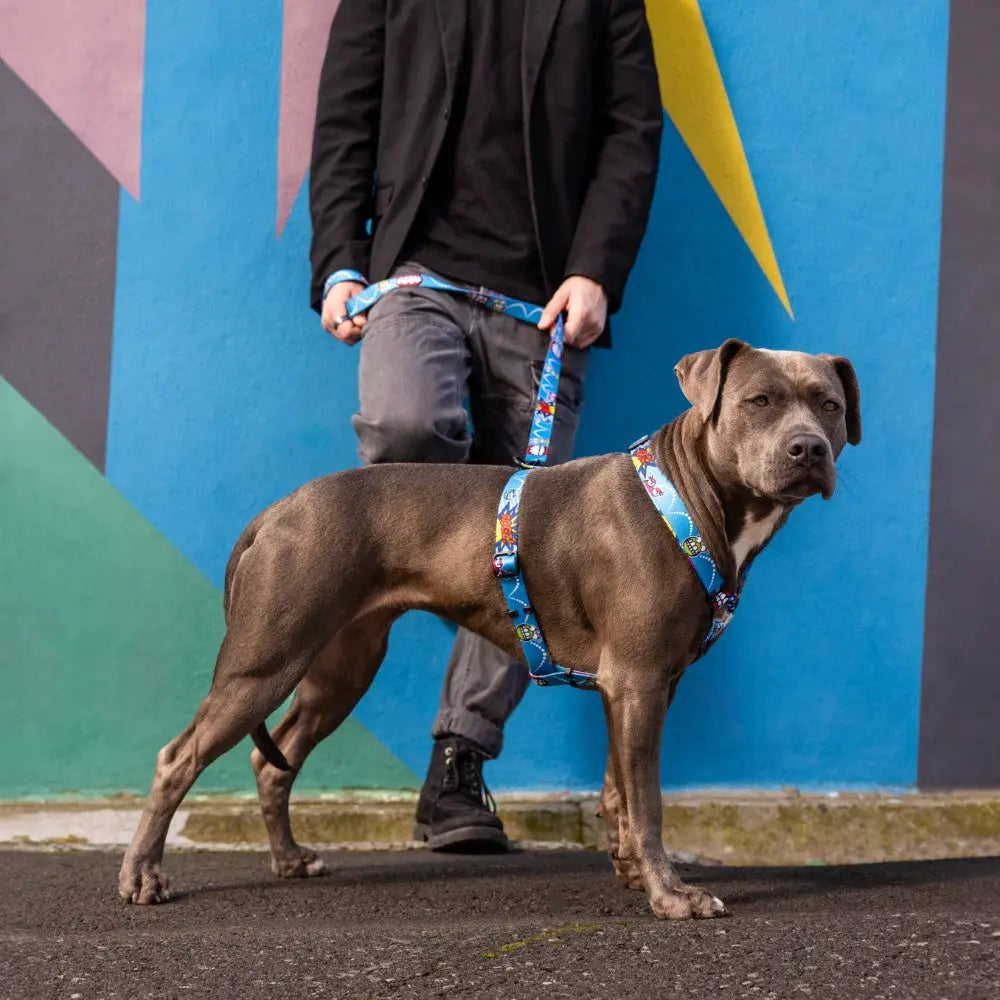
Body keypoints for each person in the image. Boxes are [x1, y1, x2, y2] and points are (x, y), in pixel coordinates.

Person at [309, 0, 662, 852]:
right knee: (406, 424)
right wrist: (338, 263)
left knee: (535, 541)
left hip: (544, 303)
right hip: (414, 279)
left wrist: (594, 271)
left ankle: (459, 764)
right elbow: (345, 117)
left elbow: (631, 130)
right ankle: (427, 560)